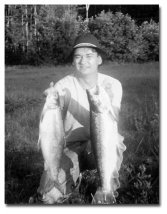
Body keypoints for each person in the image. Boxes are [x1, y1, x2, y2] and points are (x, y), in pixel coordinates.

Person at [36, 33, 126, 204]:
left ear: (99, 59)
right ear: (72, 61)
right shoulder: (63, 86)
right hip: (71, 147)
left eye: (89, 56)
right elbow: (56, 104)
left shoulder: (112, 85)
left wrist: (101, 101)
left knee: (116, 141)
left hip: (102, 145)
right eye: (78, 56)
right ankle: (65, 181)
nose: (83, 61)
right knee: (50, 197)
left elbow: (111, 121)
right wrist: (51, 100)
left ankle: (106, 189)